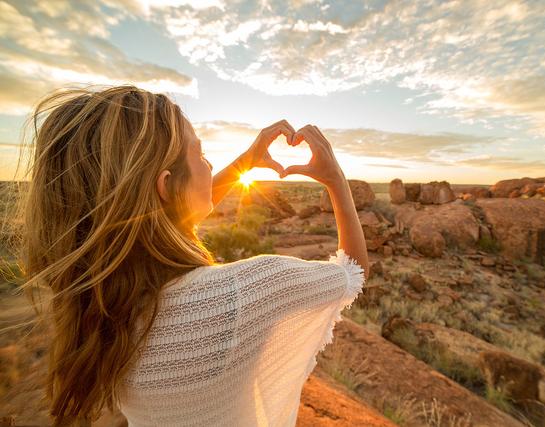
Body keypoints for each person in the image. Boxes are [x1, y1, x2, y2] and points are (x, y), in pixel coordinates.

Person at [8, 85, 369, 426]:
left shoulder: (104, 303)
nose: (210, 165)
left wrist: (246, 161)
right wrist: (335, 179)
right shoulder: (247, 290)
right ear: (166, 185)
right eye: (200, 154)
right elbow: (353, 272)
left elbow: (162, 216)